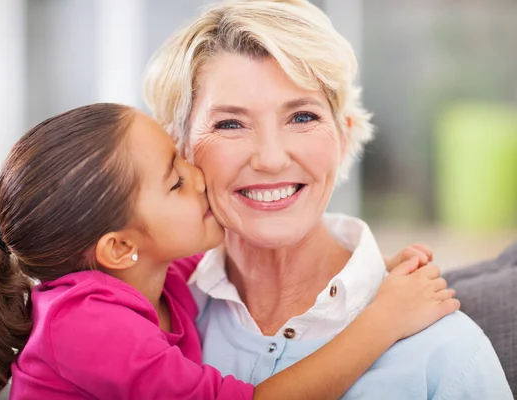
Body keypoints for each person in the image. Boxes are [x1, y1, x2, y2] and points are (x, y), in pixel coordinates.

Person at [143, 0, 513, 398]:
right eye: (230, 123)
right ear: (181, 151)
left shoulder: (445, 351)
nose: (270, 159)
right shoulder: (146, 327)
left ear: (343, 136)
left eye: (302, 117)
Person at [0, 103, 457, 399]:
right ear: (118, 246)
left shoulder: (157, 270)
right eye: (176, 182)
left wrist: (364, 275)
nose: (198, 177)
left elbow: (266, 251)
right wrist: (384, 320)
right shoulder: (85, 325)